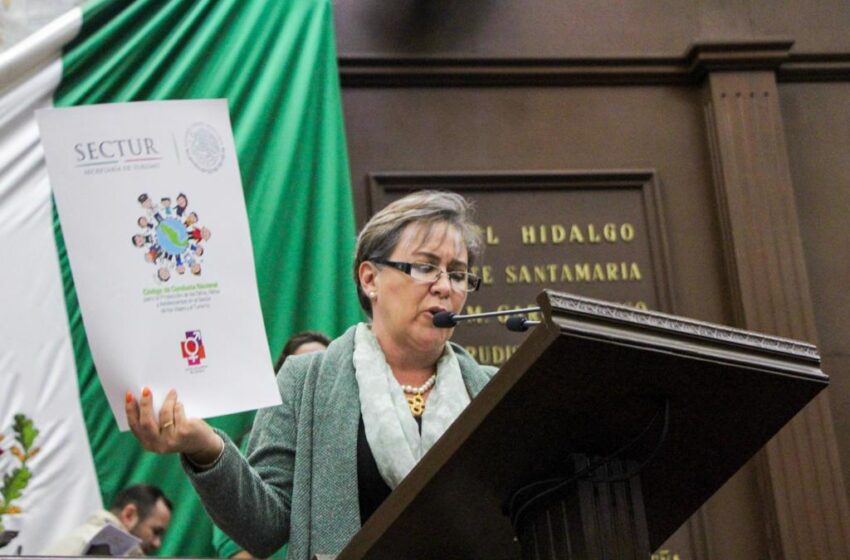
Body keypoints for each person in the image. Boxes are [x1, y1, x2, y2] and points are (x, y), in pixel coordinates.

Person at [125, 190, 494, 560]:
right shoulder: (304, 381)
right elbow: (263, 528)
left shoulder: (493, 391)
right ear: (370, 279)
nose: (445, 286)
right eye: (425, 267)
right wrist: (206, 448)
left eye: (458, 274)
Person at [213, 330, 331, 559]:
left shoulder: (350, 443)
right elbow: (235, 547)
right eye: (305, 373)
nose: (315, 381)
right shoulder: (250, 448)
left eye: (326, 370)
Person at [42, 484, 172, 556]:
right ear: (129, 515)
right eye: (156, 531)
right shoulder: (104, 549)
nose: (157, 543)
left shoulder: (82, 539)